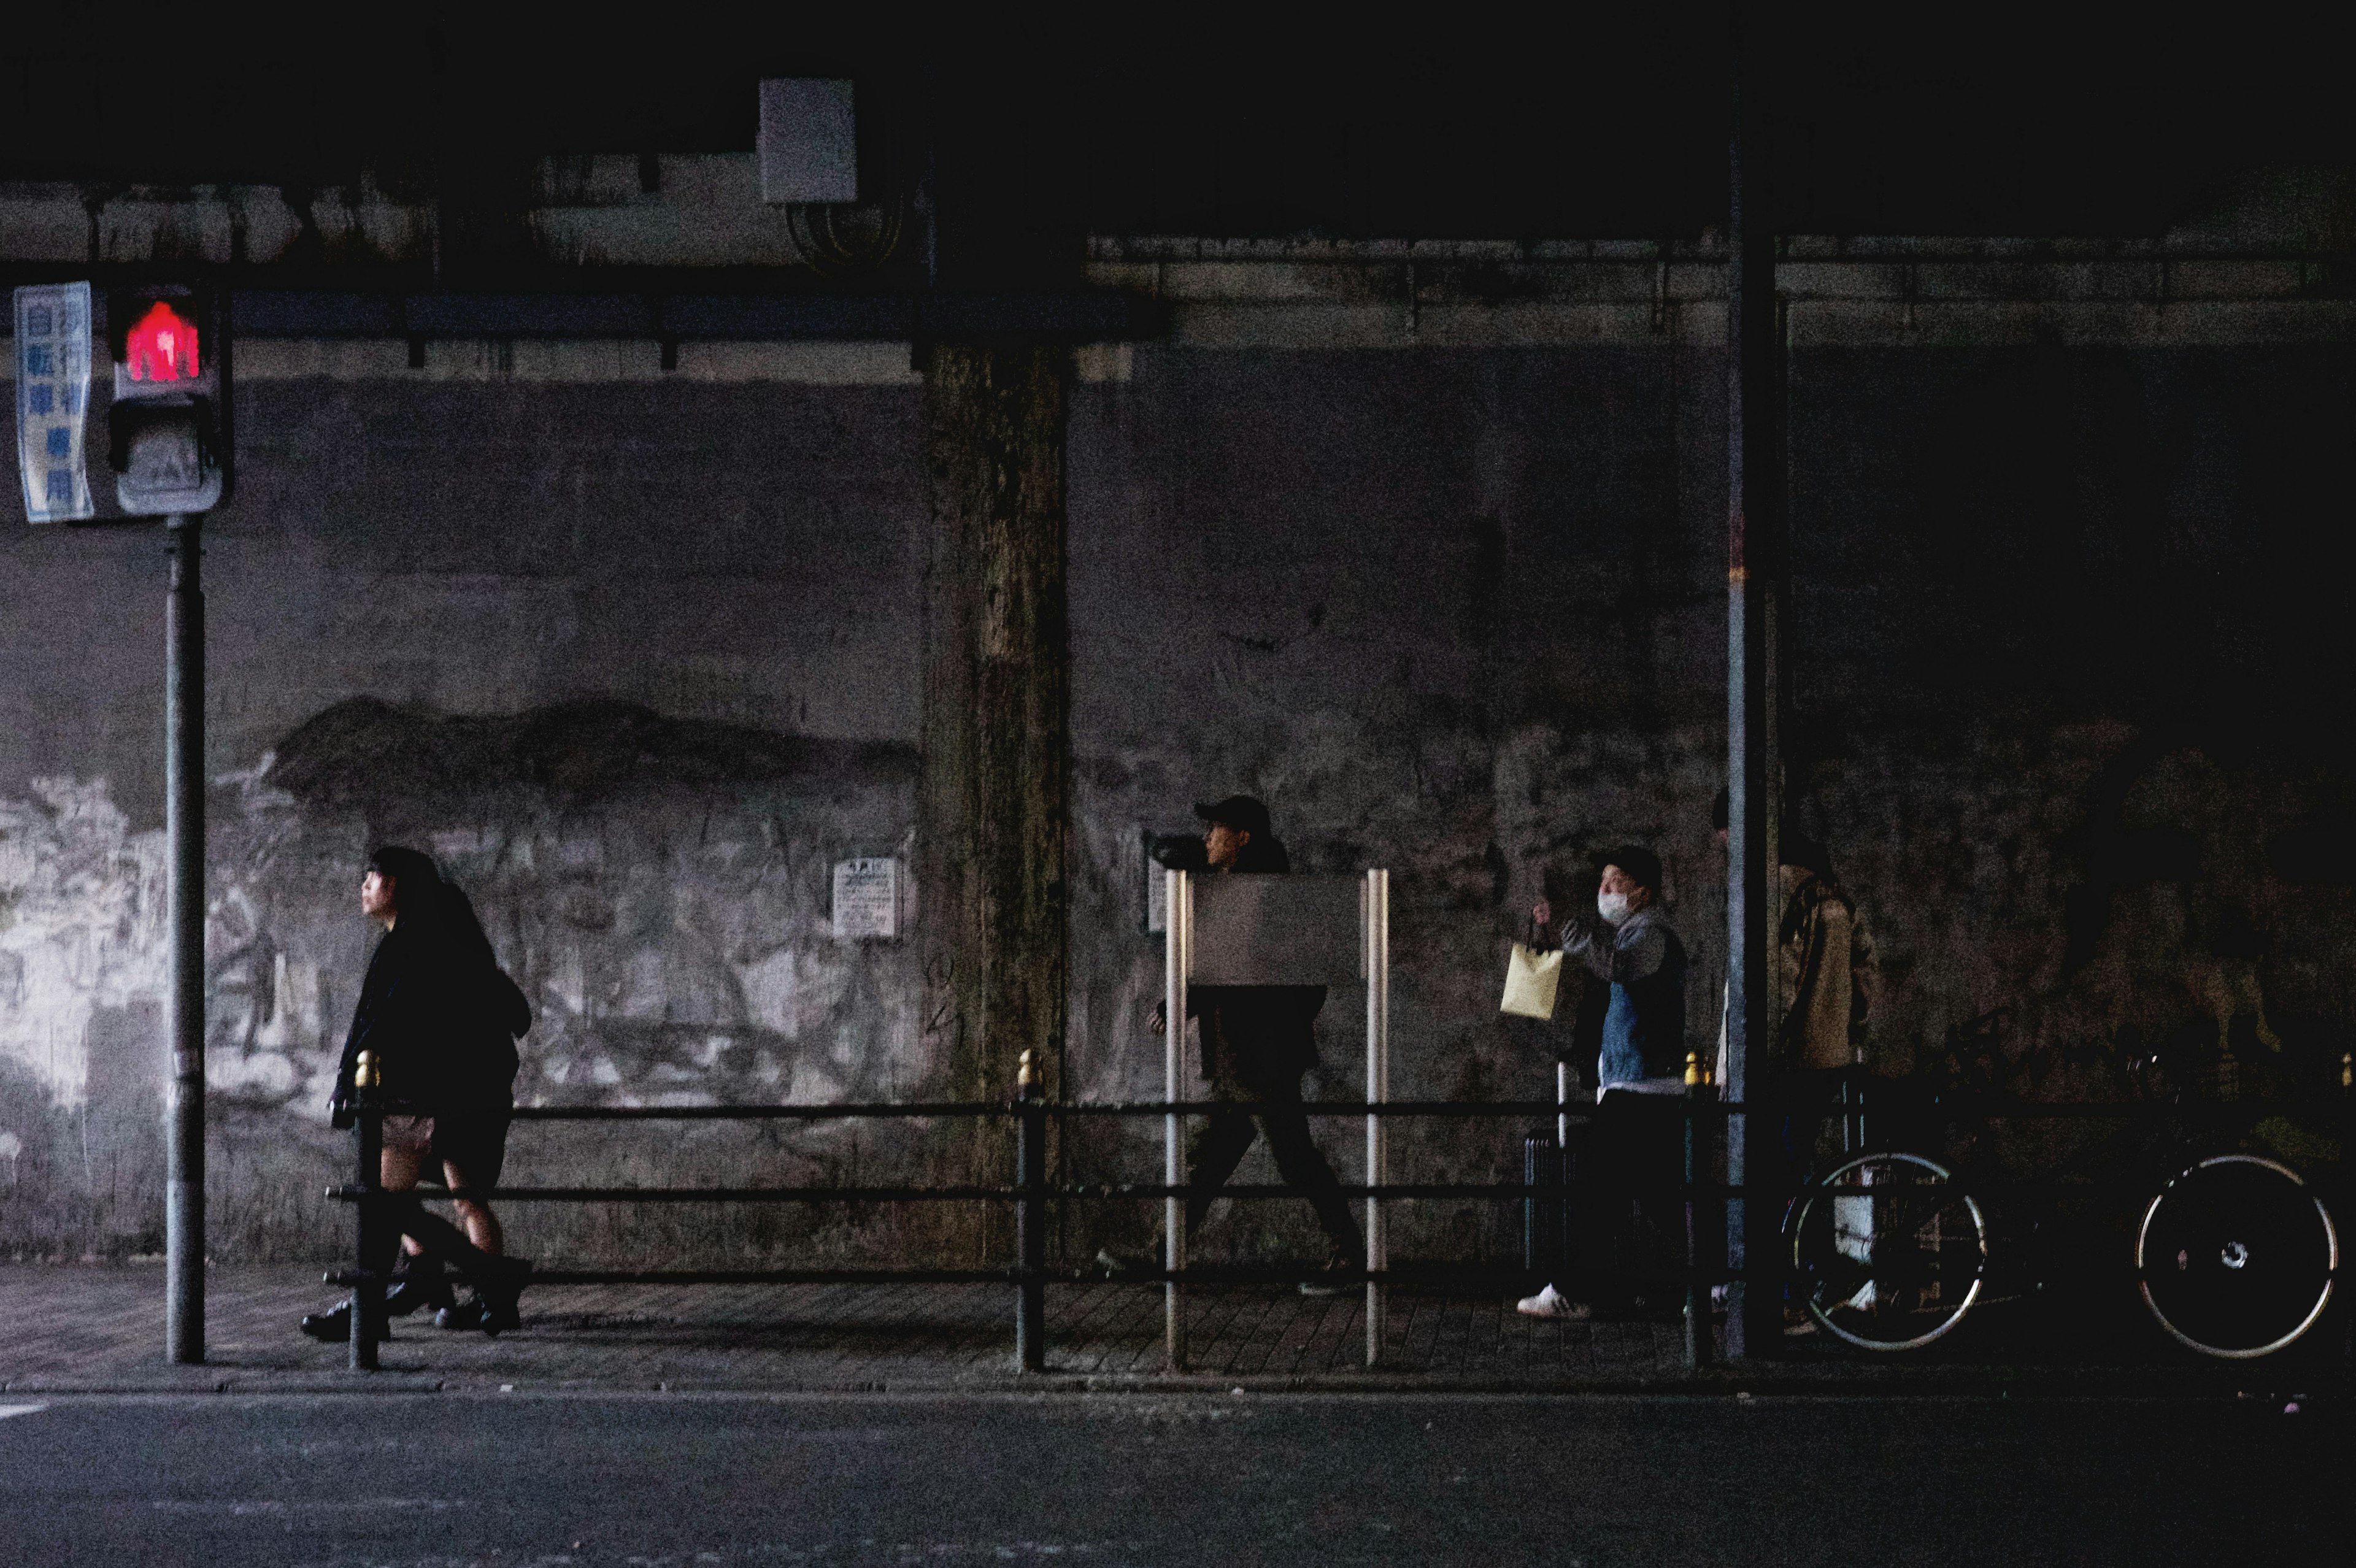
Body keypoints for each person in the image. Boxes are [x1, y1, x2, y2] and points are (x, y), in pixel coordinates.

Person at [1102, 794, 1365, 1294]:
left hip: (1257, 1058)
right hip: (1242, 1056)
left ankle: (1355, 1260)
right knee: (1208, 1164)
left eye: (1218, 830)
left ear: (1243, 838)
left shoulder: (1259, 896)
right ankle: (1165, 1258)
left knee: (1293, 1162)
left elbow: (1238, 972)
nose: (1208, 839)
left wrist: (1183, 1003)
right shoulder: (1248, 889)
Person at [300, 847, 534, 1343]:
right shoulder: (425, 940)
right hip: (447, 1099)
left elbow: (383, 1026)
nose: (365, 886)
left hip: (420, 1099)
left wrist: (349, 1086)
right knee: (448, 1201)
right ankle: (473, 1288)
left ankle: (392, 1299)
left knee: (388, 1203)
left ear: (401, 886)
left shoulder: (414, 946)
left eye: (375, 877)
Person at [1517, 846, 1689, 1320]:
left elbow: (1620, 967)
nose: (1605, 890)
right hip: (1637, 1086)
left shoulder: (1652, 934)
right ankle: (1721, 1278)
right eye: (1603, 882)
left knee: (1602, 1193)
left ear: (1643, 890)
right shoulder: (1635, 932)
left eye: (1615, 881)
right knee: (1656, 1199)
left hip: (1641, 1088)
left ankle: (1573, 1290)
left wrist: (1572, 934)